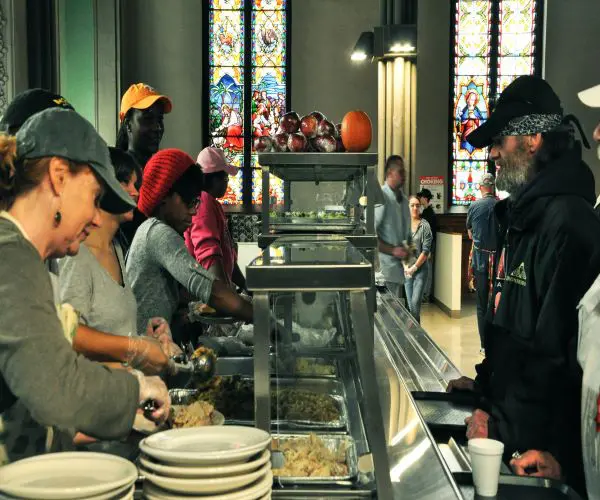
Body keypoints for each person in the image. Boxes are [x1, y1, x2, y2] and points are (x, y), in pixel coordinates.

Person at [446, 75, 600, 496]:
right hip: (512, 433)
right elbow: (515, 329)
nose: (493, 152)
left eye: (501, 140)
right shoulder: (526, 216)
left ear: (533, 139)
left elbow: (557, 358)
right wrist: (484, 386)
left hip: (538, 452)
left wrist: (503, 425)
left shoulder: (569, 224)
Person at [0, 108, 169, 463]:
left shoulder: (28, 258)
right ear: (59, 176)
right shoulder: (9, 255)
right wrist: (135, 388)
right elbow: (55, 388)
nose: (95, 216)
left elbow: (32, 392)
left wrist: (120, 418)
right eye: (94, 197)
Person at [57, 147, 180, 372]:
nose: (134, 192)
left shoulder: (116, 248)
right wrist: (135, 346)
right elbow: (71, 334)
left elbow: (112, 334)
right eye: (125, 182)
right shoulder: (77, 256)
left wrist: (146, 338)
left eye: (136, 185)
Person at [126, 148, 253, 342]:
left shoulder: (154, 230)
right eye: (189, 202)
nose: (194, 211)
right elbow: (211, 290)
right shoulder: (158, 233)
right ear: (164, 197)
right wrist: (261, 317)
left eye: (196, 202)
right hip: (144, 351)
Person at [185, 147, 247, 291]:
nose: (227, 183)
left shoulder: (213, 203)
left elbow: (227, 258)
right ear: (214, 179)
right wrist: (227, 296)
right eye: (226, 178)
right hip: (208, 292)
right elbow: (209, 256)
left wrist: (245, 286)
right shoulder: (204, 203)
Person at [466, 173, 497, 353]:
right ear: (493, 187)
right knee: (497, 302)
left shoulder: (474, 206)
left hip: (480, 261)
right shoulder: (502, 206)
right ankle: (495, 343)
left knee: (481, 303)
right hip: (499, 262)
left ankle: (484, 345)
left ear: (480, 187)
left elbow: (470, 233)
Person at [375, 155, 411, 299]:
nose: (404, 175)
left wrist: (411, 259)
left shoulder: (404, 200)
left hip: (399, 272)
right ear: (390, 173)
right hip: (384, 272)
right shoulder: (381, 196)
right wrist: (393, 250)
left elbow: (407, 236)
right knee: (385, 315)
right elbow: (369, 233)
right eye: (401, 172)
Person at [404, 196, 433, 322]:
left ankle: (415, 337)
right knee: (411, 306)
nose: (415, 208)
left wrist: (414, 267)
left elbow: (426, 251)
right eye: (412, 205)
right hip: (407, 270)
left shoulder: (425, 226)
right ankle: (417, 336)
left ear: (420, 207)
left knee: (415, 303)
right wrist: (405, 267)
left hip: (420, 270)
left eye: (417, 205)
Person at [417, 188, 437, 303]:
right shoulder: (426, 212)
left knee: (428, 269)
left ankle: (425, 294)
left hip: (428, 245)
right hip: (425, 245)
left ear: (425, 198)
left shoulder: (429, 213)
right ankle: (424, 294)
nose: (419, 200)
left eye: (420, 198)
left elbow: (430, 234)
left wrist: (428, 250)